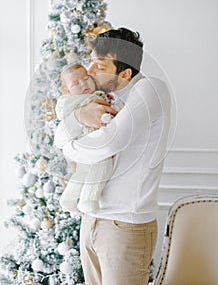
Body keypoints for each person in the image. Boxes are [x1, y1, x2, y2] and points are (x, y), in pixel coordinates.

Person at [62, 28, 171, 285]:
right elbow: (60, 135)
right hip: (92, 219)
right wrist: (78, 115)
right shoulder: (91, 97)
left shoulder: (150, 89)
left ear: (124, 74)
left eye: (99, 65)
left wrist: (72, 142)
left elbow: (110, 142)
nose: (89, 70)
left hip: (124, 224)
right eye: (91, 61)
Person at [54, 63, 123, 213]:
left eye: (86, 78)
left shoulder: (98, 95)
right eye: (76, 83)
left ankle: (68, 199)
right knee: (102, 168)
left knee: (83, 173)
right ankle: (88, 200)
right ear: (68, 90)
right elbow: (62, 113)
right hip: (87, 142)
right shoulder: (69, 101)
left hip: (93, 140)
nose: (83, 84)